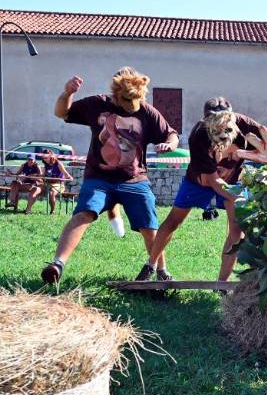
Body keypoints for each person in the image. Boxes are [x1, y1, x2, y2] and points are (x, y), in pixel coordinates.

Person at [41, 67, 179, 284]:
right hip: (99, 179)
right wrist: (67, 93)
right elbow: (62, 112)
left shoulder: (147, 112)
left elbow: (171, 133)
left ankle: (161, 271)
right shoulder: (97, 104)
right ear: (115, 94)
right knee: (83, 214)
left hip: (134, 180)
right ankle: (57, 264)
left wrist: (169, 144)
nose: (132, 105)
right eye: (127, 99)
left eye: (137, 99)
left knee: (149, 225)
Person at [135, 97, 260, 282]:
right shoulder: (199, 134)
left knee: (236, 231)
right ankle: (151, 265)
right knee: (173, 221)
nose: (221, 127)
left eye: (226, 121)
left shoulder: (244, 125)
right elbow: (211, 180)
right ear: (206, 121)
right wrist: (236, 198)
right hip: (198, 181)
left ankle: (222, 284)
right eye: (215, 123)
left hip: (233, 181)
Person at [40, 149, 74, 215]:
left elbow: (67, 175)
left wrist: (70, 178)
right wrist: (37, 176)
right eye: (43, 158)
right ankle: (28, 209)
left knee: (51, 192)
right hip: (48, 184)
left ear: (51, 156)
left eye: (46, 158)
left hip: (59, 184)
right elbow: (43, 175)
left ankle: (52, 211)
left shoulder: (58, 164)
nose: (44, 160)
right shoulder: (45, 164)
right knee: (35, 189)